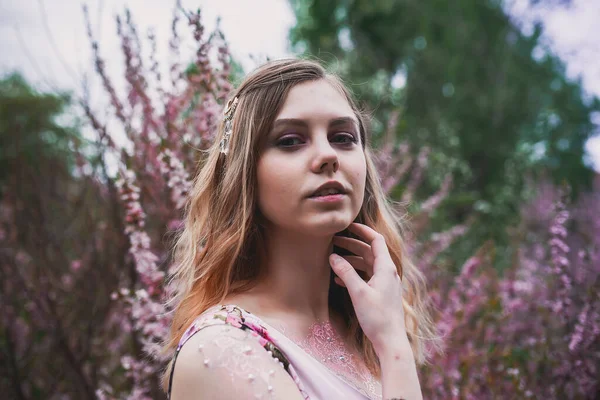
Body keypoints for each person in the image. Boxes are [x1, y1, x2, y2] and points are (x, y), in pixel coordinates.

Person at [162, 59, 438, 400]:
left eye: (343, 137)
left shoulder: (363, 335)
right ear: (245, 172)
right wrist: (395, 345)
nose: (327, 156)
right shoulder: (222, 349)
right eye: (291, 141)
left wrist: (390, 336)